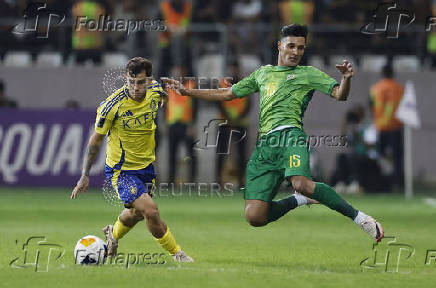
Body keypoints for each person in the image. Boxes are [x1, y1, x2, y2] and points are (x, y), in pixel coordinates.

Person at [163, 24, 384, 242]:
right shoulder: (263, 73)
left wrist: (346, 79)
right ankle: (299, 201)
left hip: (291, 136)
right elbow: (228, 93)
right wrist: (187, 91)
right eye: (291, 46)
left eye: (301, 48)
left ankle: (360, 219)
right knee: (255, 216)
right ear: (280, 46)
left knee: (301, 182)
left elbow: (340, 95)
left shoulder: (308, 74)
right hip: (265, 146)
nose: (296, 52)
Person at [71, 57, 194, 262]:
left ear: (149, 80)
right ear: (125, 79)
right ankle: (177, 254)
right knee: (151, 211)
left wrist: (164, 97)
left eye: (140, 83)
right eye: (131, 82)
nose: (135, 88)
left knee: (136, 214)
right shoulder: (111, 106)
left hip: (146, 167)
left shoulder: (154, 90)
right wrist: (84, 175)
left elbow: (161, 92)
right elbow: (95, 141)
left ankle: (113, 234)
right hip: (121, 171)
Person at [370, 65, 404, 190]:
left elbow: (371, 106)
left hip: (380, 127)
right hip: (395, 127)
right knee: (397, 158)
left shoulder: (375, 88)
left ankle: (380, 183)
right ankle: (398, 184)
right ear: (392, 73)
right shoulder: (400, 88)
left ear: (382, 73)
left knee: (380, 156)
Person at [165, 66, 197, 184]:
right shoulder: (169, 87)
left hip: (186, 125)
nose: (179, 72)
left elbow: (195, 107)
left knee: (191, 154)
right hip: (172, 124)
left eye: (181, 70)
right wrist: (165, 123)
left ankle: (192, 181)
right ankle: (170, 181)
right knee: (172, 154)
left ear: (185, 72)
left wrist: (192, 124)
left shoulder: (191, 85)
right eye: (177, 70)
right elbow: (165, 106)